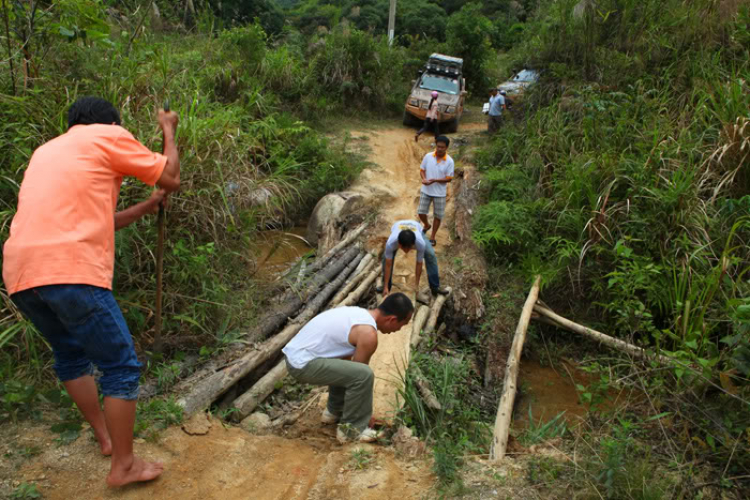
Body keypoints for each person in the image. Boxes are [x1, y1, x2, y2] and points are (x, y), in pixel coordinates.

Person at [2, 97, 180, 487]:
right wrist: (168, 128)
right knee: (121, 366)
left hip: (21, 274)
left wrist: (145, 208)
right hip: (71, 271)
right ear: (112, 123)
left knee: (69, 353)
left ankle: (105, 438)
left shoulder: (47, 151)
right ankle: (124, 465)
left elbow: (94, 221)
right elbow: (170, 177)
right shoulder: (108, 135)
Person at [282, 293, 414, 443]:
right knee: (363, 375)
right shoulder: (368, 334)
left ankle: (334, 412)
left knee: (349, 370)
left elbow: (348, 368)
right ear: (392, 319)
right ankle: (351, 431)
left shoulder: (358, 314)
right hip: (302, 364)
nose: (399, 330)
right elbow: (360, 374)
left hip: (296, 356)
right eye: (401, 325)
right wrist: (362, 415)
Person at [378, 219, 448, 300]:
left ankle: (435, 287)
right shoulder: (391, 243)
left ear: (413, 244)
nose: (407, 251)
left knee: (430, 255)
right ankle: (386, 286)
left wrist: (416, 286)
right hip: (398, 226)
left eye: (410, 248)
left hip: (416, 228)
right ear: (399, 245)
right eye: (405, 248)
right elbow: (388, 265)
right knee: (385, 259)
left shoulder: (419, 243)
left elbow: (419, 263)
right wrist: (386, 286)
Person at [418, 135, 454, 246]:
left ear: (446, 147)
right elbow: (422, 170)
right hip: (426, 190)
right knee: (421, 212)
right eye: (438, 146)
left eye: (442, 147)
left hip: (440, 193)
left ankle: (433, 236)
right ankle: (426, 225)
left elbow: (449, 178)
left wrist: (435, 180)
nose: (439, 149)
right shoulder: (428, 156)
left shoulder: (449, 161)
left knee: (438, 216)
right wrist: (424, 179)